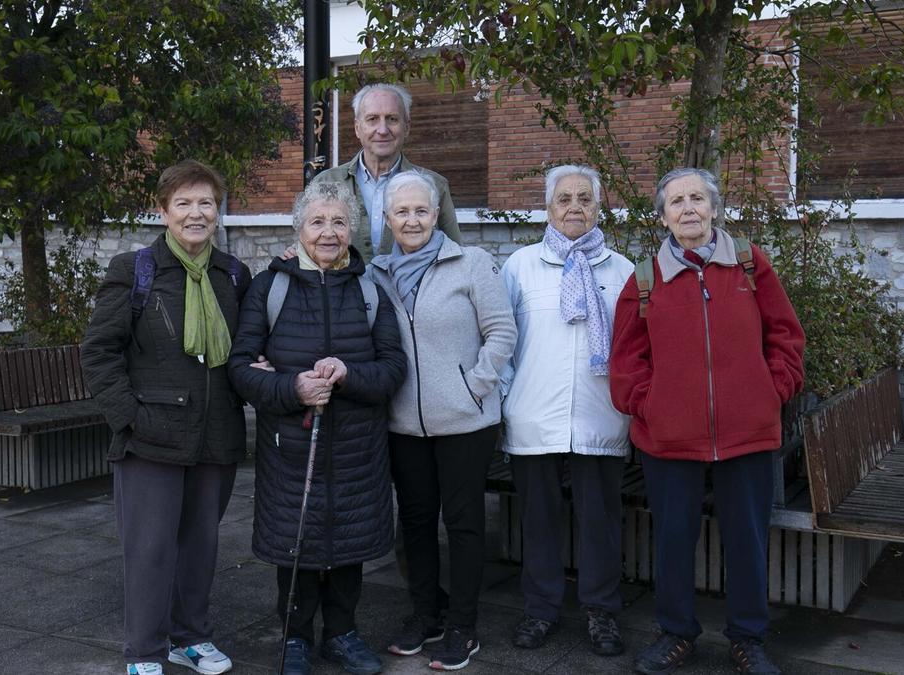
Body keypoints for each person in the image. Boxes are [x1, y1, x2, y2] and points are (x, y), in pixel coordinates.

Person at [610, 167, 805, 675]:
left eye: (698, 198)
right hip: (670, 439)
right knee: (673, 540)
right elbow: (627, 360)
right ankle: (676, 633)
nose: (689, 209)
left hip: (748, 434)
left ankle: (748, 637)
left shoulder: (747, 264)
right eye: (677, 202)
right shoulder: (646, 278)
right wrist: (649, 405)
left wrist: (772, 392)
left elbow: (786, 335)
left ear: (715, 209)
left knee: (748, 540)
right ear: (663, 216)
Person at [227, 180, 406, 675]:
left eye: (339, 222)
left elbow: (393, 368)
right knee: (297, 541)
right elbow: (240, 368)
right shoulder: (271, 287)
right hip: (291, 444)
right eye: (318, 222)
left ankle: (343, 634)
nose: (329, 232)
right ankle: (296, 637)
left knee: (349, 542)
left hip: (356, 445)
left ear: (353, 230)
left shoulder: (370, 289)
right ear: (299, 228)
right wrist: (291, 388)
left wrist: (348, 375)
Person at [81, 160, 249, 675]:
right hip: (149, 436)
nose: (196, 213)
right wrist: (126, 418)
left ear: (218, 212)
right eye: (184, 203)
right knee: (149, 549)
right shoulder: (134, 270)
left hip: (215, 434)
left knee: (200, 545)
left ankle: (190, 638)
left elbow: (248, 349)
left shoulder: (235, 276)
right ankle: (145, 652)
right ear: (163, 211)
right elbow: (99, 351)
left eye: (206, 203)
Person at [365, 171, 517, 670]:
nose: (412, 220)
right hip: (403, 424)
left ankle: (463, 626)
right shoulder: (376, 275)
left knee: (465, 524)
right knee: (415, 524)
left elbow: (501, 332)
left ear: (437, 215)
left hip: (466, 423)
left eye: (421, 211)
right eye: (401, 212)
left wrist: (472, 386)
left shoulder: (470, 262)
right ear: (387, 219)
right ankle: (426, 614)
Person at [499, 164, 634, 658]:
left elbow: (634, 347)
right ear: (548, 207)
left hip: (601, 415)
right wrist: (505, 403)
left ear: (600, 208)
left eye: (584, 199)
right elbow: (504, 341)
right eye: (564, 199)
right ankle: (540, 608)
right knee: (538, 519)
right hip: (534, 415)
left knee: (601, 519)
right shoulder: (520, 266)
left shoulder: (621, 271)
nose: (574, 207)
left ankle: (601, 610)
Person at [311, 83, 461, 256]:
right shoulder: (325, 183)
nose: (382, 130)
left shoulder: (435, 185)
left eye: (392, 119)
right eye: (372, 119)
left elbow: (455, 255)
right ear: (357, 128)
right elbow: (309, 247)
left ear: (407, 127)